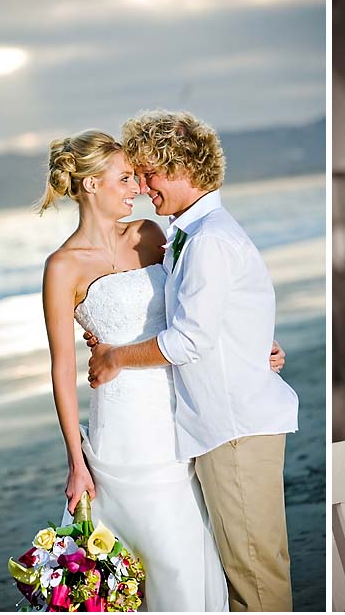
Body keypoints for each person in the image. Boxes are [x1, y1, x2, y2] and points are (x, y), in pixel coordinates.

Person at [84, 110, 299, 612]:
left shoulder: (208, 240)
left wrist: (116, 356)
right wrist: (254, 348)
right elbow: (222, 320)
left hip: (235, 427)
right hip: (218, 425)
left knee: (256, 579)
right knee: (242, 571)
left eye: (149, 173)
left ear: (180, 168)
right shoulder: (190, 235)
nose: (143, 186)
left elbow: (188, 341)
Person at [38, 129, 231, 610]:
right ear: (89, 186)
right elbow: (63, 369)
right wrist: (75, 462)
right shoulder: (62, 267)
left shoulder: (149, 235)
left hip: (182, 410)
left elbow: (196, 308)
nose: (138, 188)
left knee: (191, 546)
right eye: (124, 178)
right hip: (125, 429)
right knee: (156, 557)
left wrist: (249, 345)